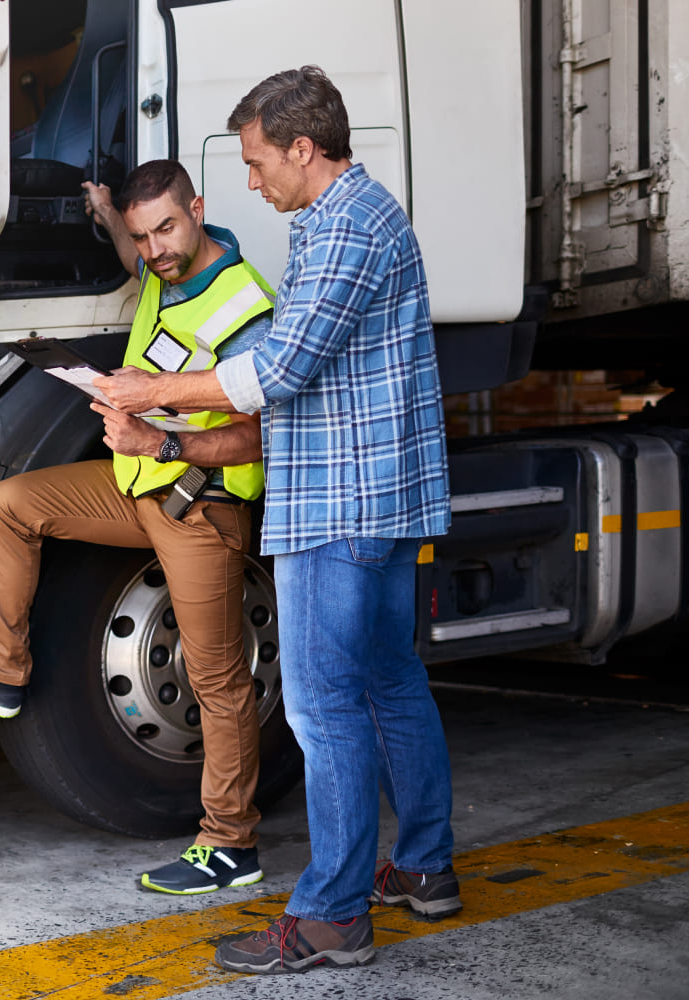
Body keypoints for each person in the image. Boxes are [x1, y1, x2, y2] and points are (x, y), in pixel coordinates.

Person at [94, 66, 460, 974]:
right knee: (389, 681)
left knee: (323, 706)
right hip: (370, 496)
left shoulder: (343, 227)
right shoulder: (356, 220)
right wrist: (168, 431)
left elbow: (276, 372)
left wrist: (153, 391)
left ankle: (332, 915)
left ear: (304, 148)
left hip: (340, 504)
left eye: (259, 163)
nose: (251, 184)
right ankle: (422, 867)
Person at [0, 159, 278, 895]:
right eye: (144, 237)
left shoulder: (244, 308)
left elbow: (261, 438)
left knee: (218, 682)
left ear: (199, 210)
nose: (154, 251)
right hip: (139, 488)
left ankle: (231, 844)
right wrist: (110, 214)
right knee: (9, 505)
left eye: (166, 230)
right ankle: (2, 675)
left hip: (200, 509)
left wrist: (164, 442)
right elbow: (130, 254)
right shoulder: (159, 270)